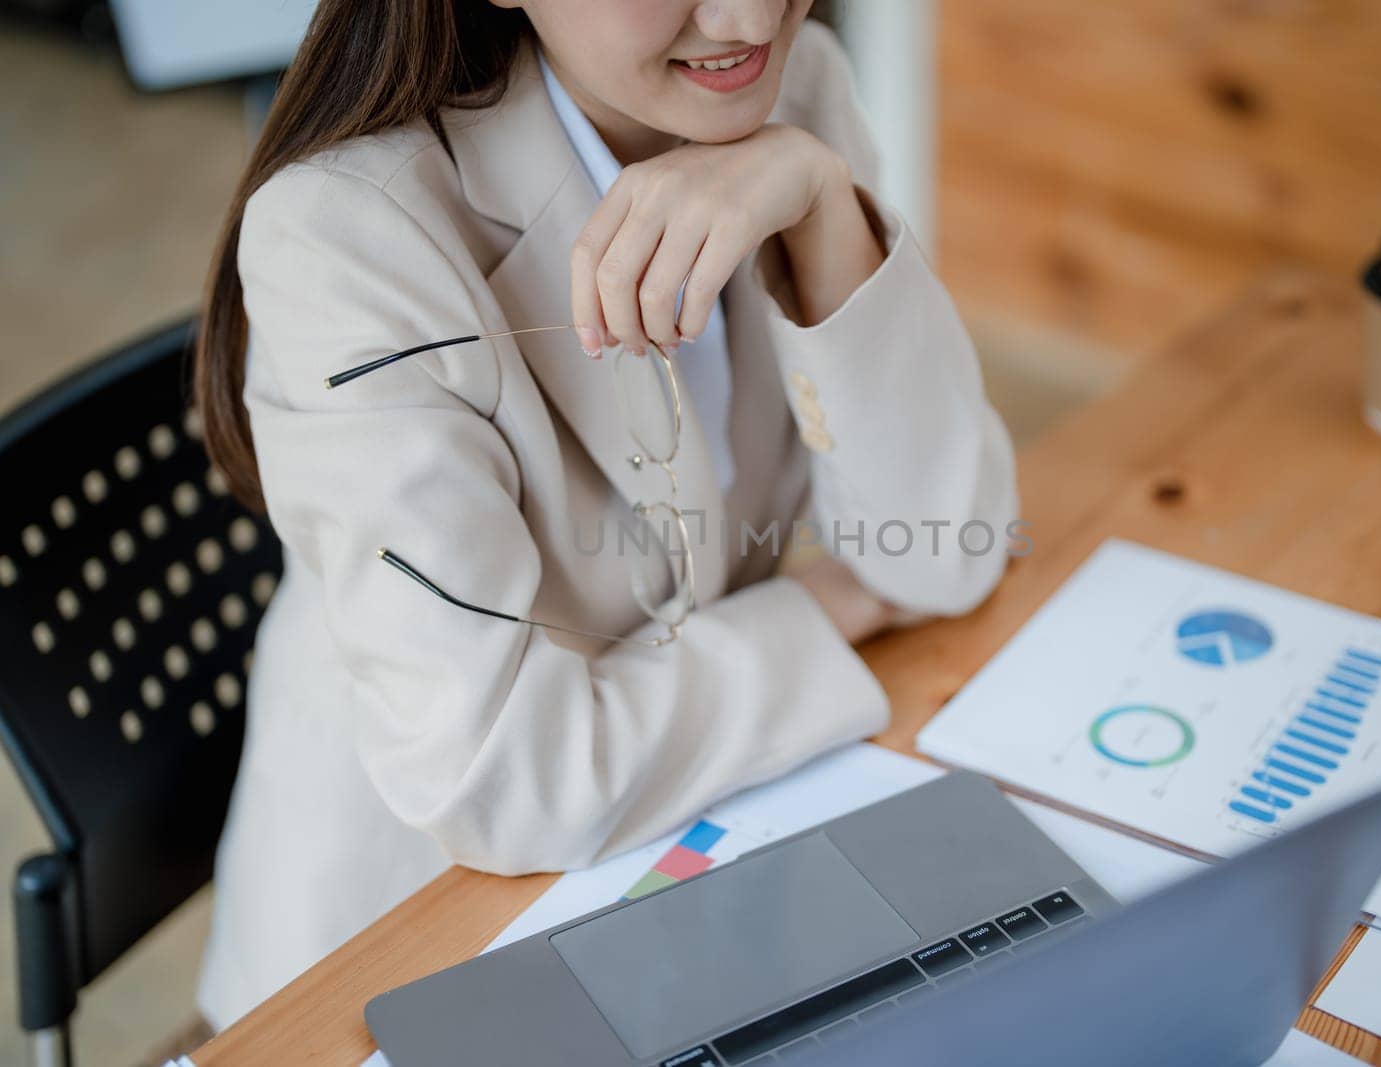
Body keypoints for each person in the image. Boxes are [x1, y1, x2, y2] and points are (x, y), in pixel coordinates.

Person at [191, 0, 1017, 1028]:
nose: (752, 15)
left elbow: (946, 553)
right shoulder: (346, 235)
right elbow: (506, 781)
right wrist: (830, 608)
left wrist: (816, 202)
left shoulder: (793, 85)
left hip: (695, 859)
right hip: (414, 943)